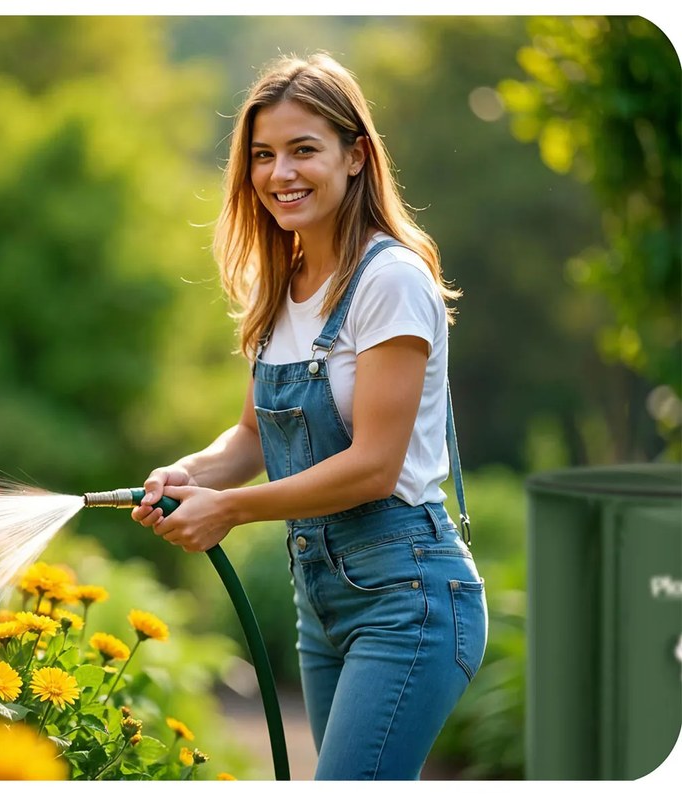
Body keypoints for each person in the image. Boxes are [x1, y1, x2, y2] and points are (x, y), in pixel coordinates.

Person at [131, 52, 488, 780]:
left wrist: (227, 509)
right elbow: (253, 436)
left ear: (356, 156)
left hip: (408, 596)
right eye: (263, 155)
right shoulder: (283, 284)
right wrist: (189, 474)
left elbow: (374, 465)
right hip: (320, 600)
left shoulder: (389, 282)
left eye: (303, 150)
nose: (279, 174)